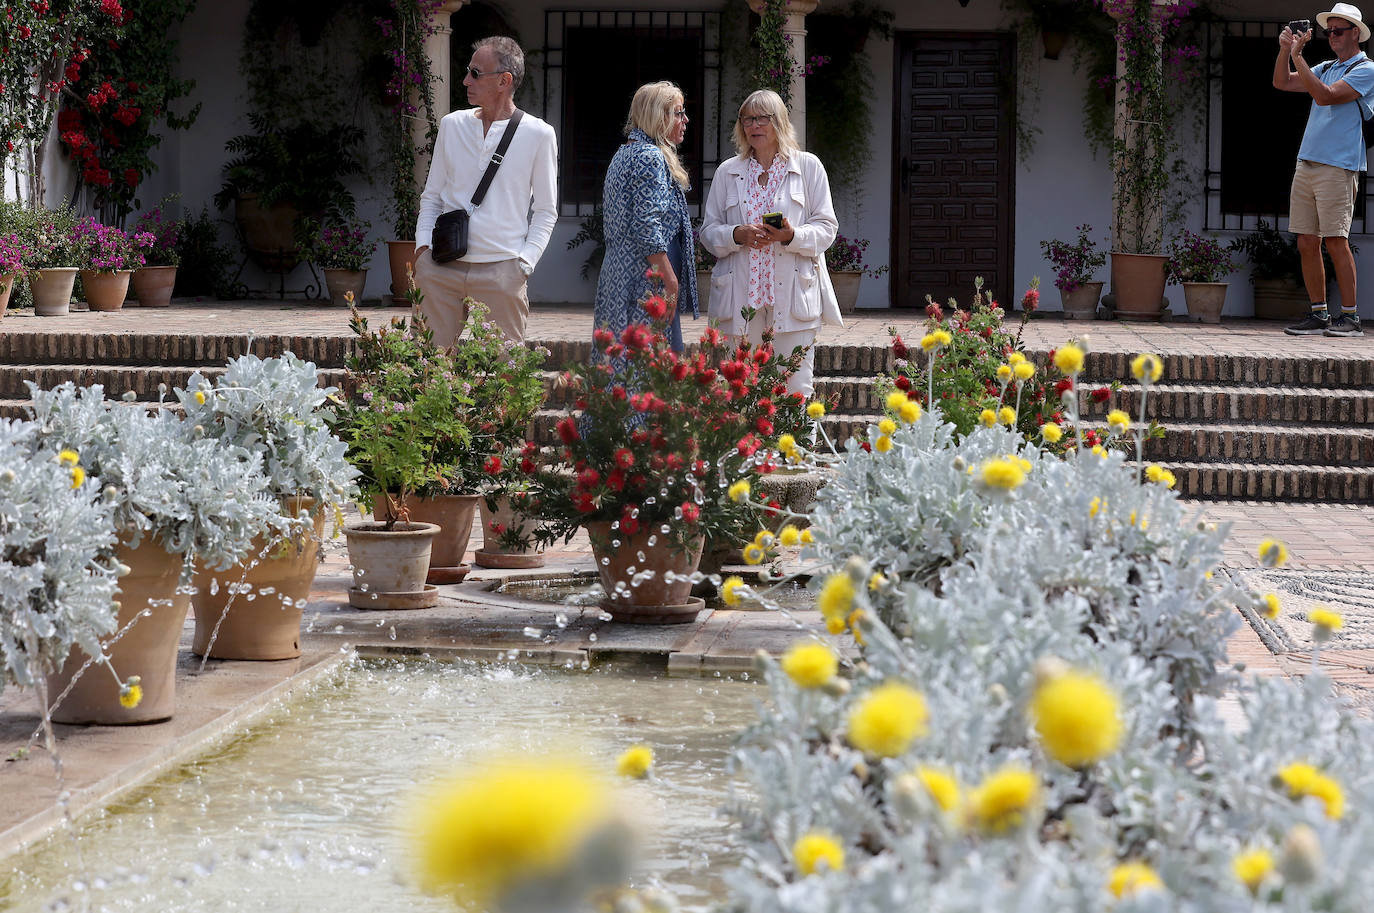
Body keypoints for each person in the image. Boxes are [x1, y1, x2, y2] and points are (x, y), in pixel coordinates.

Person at [414, 36, 558, 345]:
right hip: (441, 268)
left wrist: (523, 265)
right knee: (426, 372)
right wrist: (423, 251)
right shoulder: (452, 125)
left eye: (476, 73)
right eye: (468, 70)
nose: (466, 79)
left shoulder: (539, 134)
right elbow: (432, 197)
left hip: (502, 272)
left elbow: (546, 210)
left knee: (505, 379)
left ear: (504, 80)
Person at [699, 89, 842, 395]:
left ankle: (795, 446)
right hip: (740, 299)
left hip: (791, 298)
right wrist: (738, 234)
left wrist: (791, 235)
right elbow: (708, 231)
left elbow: (827, 228)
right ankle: (748, 446)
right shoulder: (728, 172)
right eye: (748, 119)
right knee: (740, 388)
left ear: (779, 123)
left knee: (795, 388)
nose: (755, 125)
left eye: (763, 118)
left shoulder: (808, 167)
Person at [1275, 3, 1374, 337]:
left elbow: (1326, 97)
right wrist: (1286, 51)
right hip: (1308, 162)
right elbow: (1282, 83)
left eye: (1338, 31)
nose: (1331, 36)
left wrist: (1299, 57)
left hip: (1338, 165)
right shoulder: (1327, 65)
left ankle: (1351, 318)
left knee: (1335, 240)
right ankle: (1319, 314)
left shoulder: (1366, 69)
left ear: (1355, 34)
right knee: (1306, 240)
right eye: (1329, 30)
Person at [594, 81, 699, 355]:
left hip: (621, 275)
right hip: (646, 279)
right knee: (652, 367)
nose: (685, 120)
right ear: (659, 116)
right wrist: (670, 280)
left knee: (622, 364)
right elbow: (646, 226)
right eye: (678, 113)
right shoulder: (650, 157)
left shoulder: (623, 153)